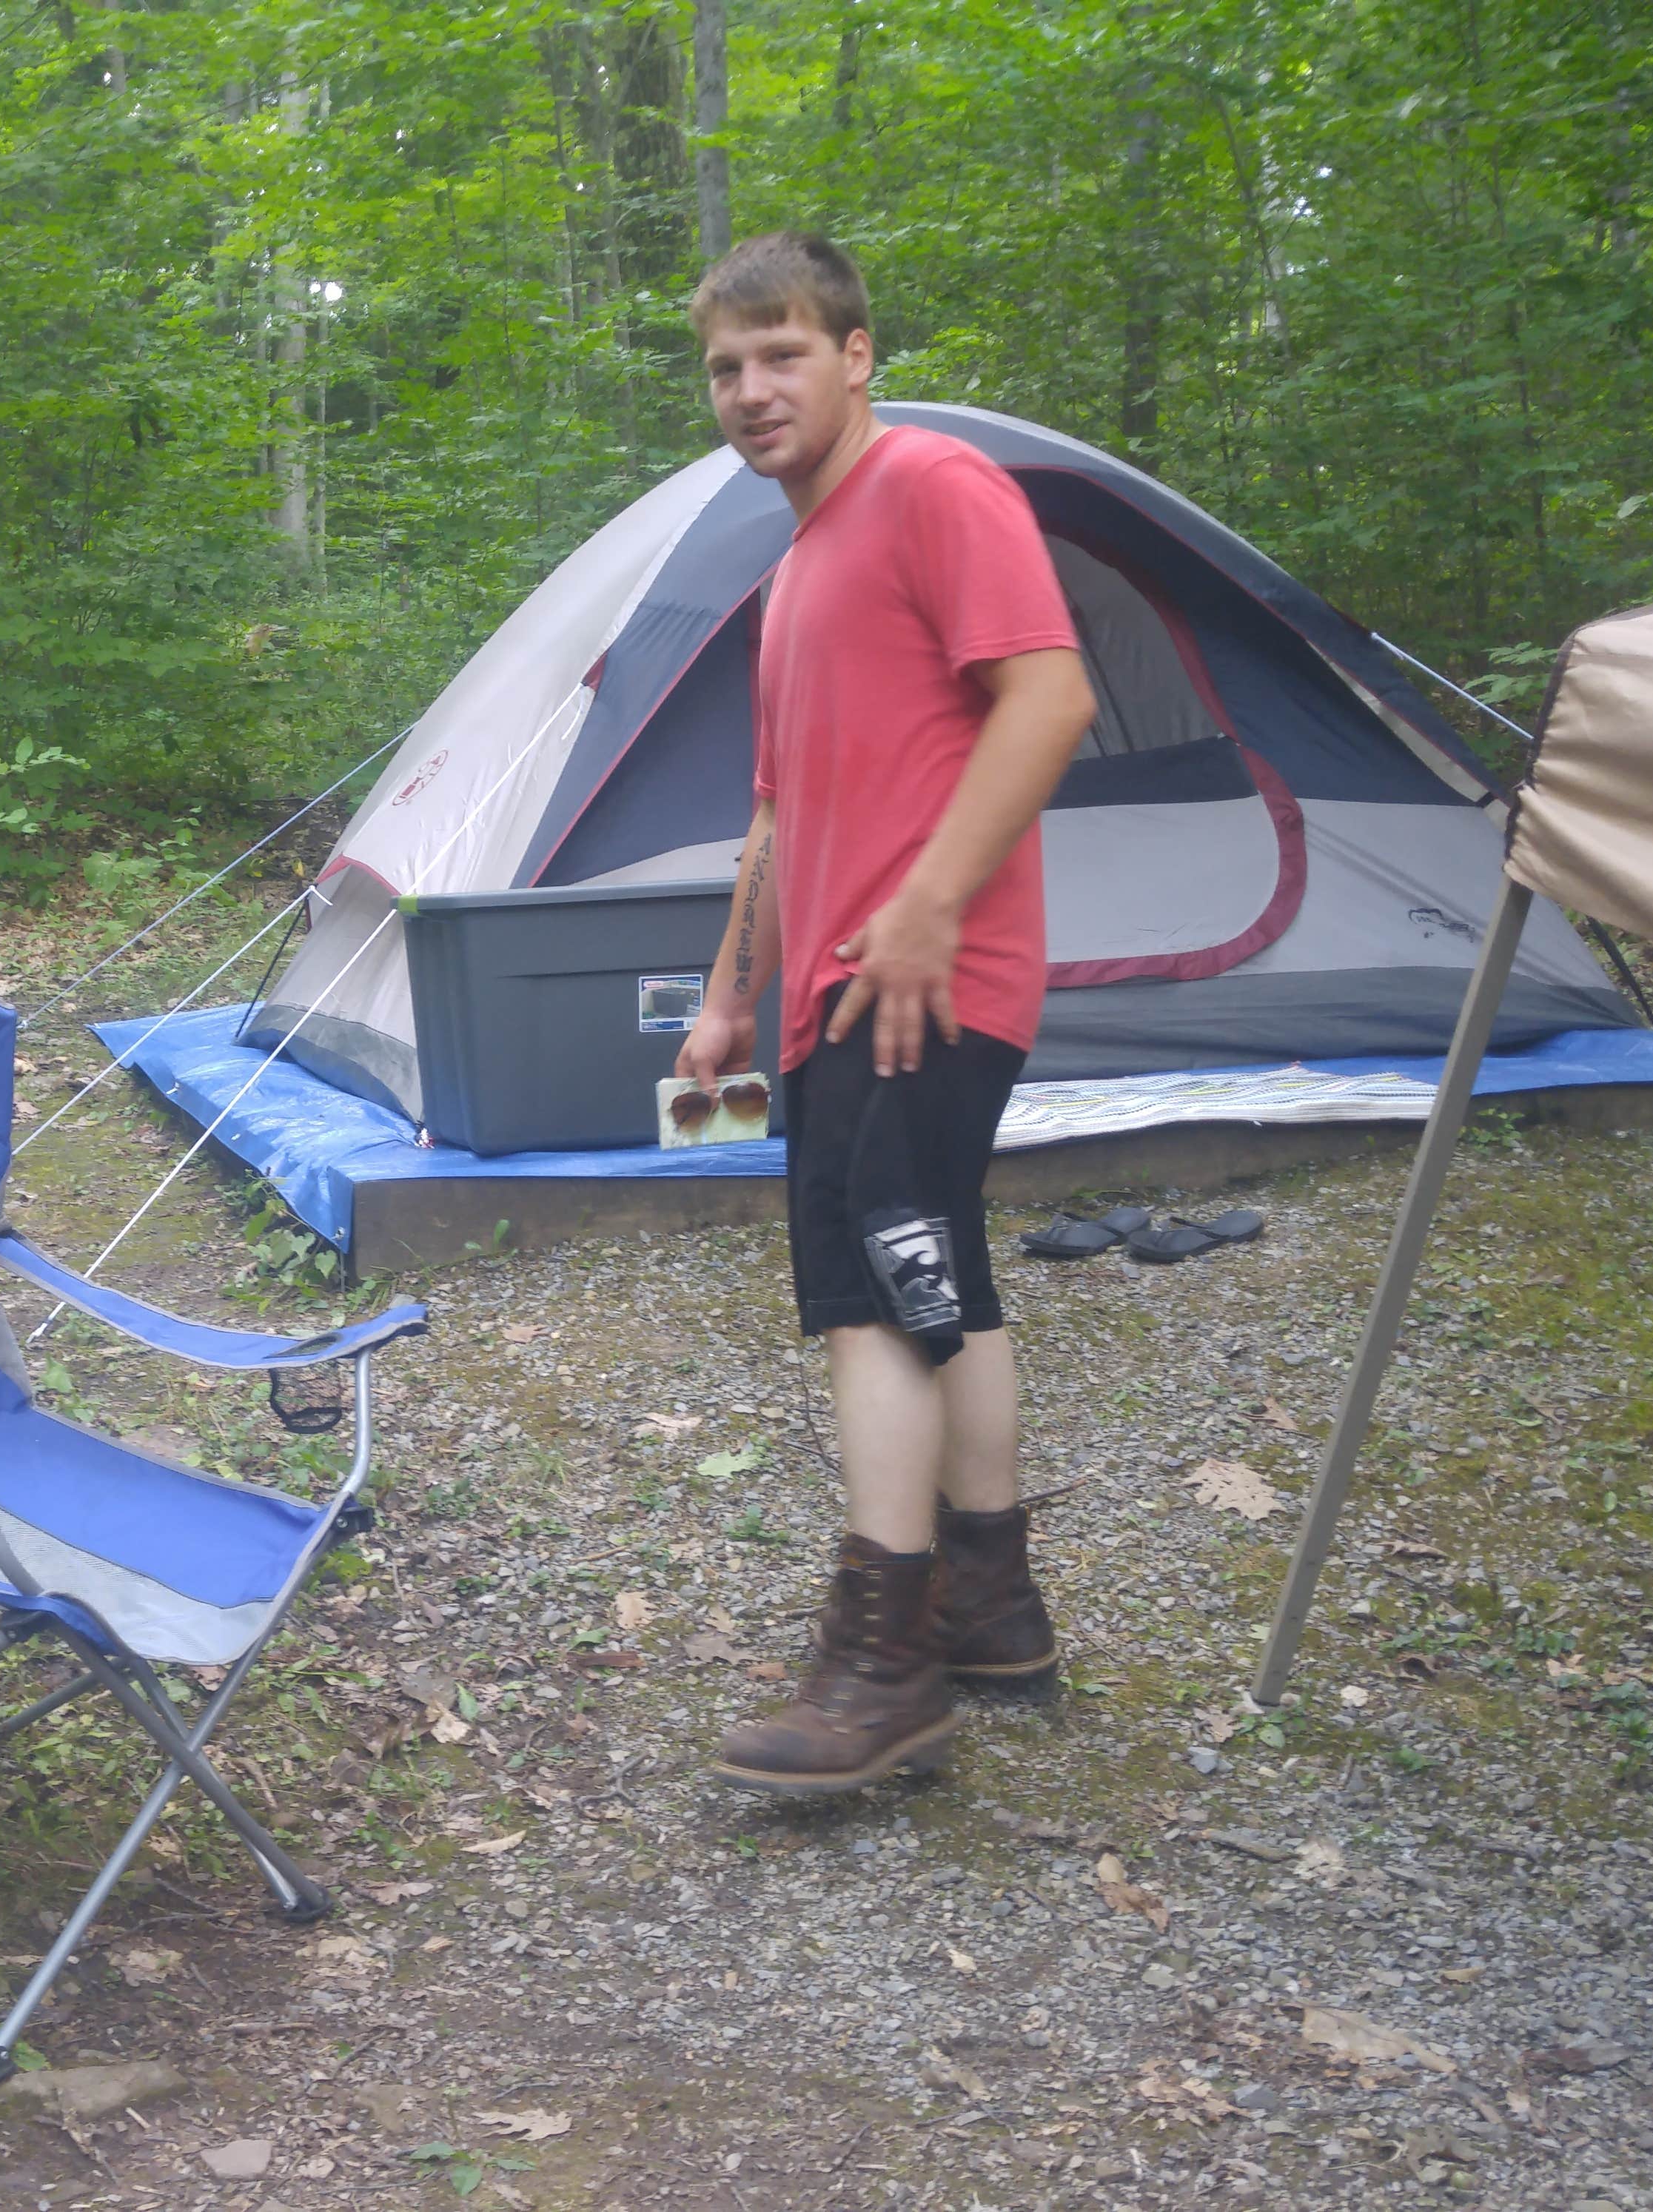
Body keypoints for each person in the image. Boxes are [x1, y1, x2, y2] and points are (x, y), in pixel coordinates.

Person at [669, 234, 1096, 1795]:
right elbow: (778, 817)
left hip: (925, 976)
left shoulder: (932, 486)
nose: (750, 389)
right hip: (836, 991)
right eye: (725, 366)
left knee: (866, 1283)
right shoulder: (791, 579)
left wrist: (924, 906)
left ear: (856, 354)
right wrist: (728, 999)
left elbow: (1049, 696)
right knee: (938, 1266)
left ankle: (883, 1661)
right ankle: (988, 1606)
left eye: (781, 352)